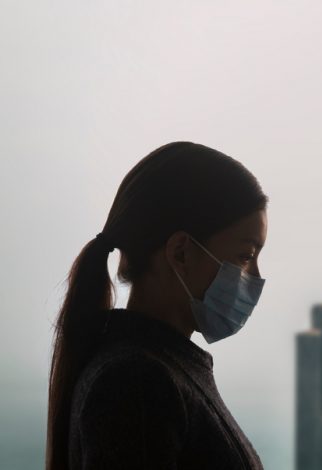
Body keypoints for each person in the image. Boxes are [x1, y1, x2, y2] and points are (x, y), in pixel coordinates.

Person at [45, 142, 269, 469]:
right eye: (245, 256)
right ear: (180, 252)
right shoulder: (135, 381)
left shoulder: (160, 367)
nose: (257, 276)